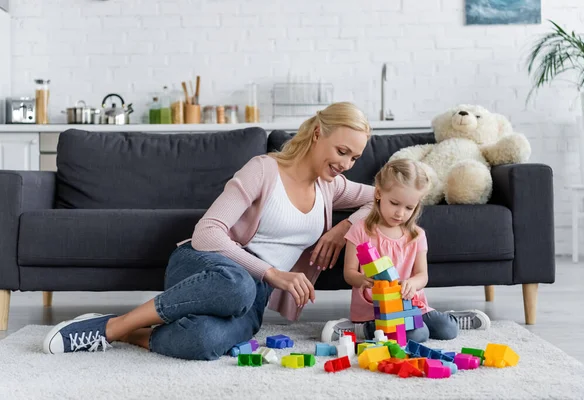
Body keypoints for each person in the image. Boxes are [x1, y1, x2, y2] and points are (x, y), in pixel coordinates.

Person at [42, 102, 375, 360]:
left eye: (354, 157)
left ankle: (134, 334)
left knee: (205, 341)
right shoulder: (264, 169)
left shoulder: (331, 187)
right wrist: (271, 272)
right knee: (239, 284)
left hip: (254, 295)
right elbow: (207, 233)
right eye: (342, 151)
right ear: (318, 133)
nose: (346, 164)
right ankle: (112, 328)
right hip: (207, 265)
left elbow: (382, 200)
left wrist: (342, 227)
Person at [321, 158, 490, 344]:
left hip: (412, 305)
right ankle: (360, 329)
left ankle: (452, 319)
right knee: (418, 336)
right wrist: (363, 280)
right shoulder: (360, 230)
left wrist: (411, 283)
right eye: (394, 203)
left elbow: (422, 275)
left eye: (409, 207)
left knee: (447, 330)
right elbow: (349, 273)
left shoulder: (417, 235)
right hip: (374, 312)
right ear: (378, 193)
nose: (400, 213)